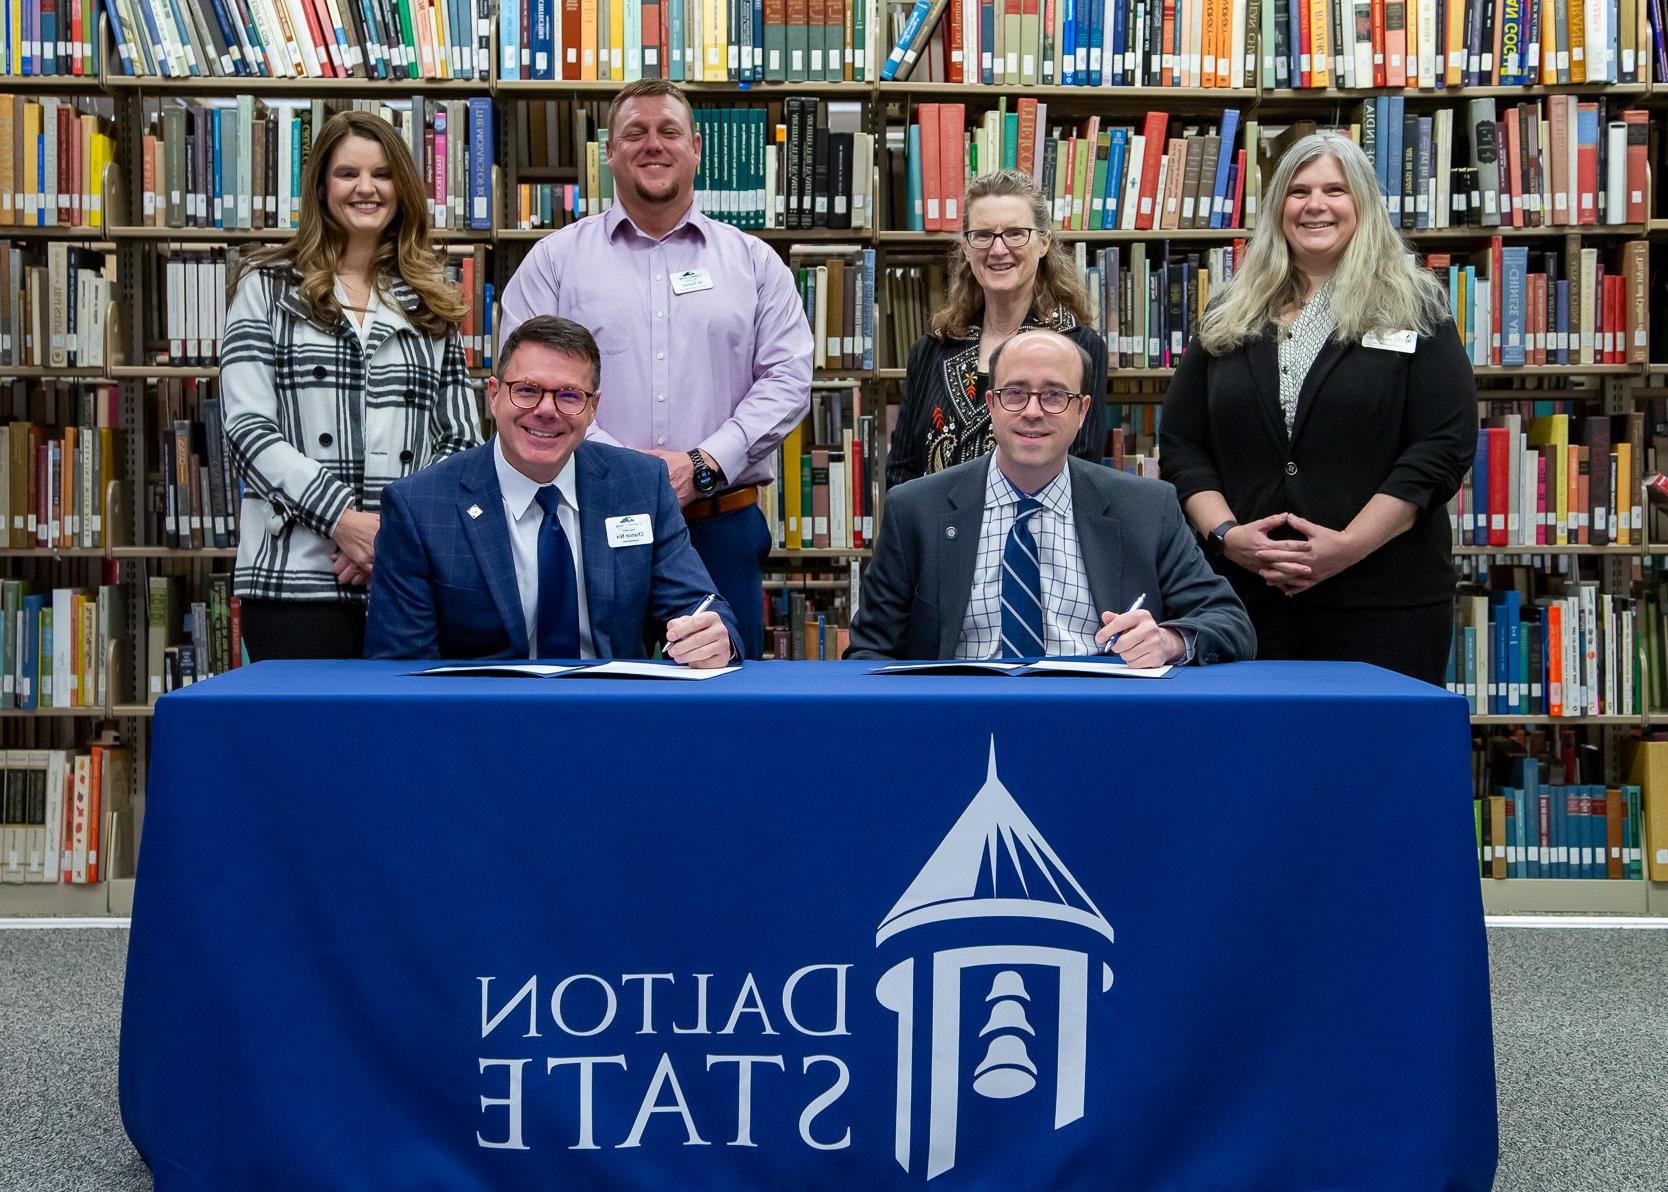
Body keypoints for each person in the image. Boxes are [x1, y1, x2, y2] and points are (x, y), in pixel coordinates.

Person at [496, 78, 812, 661]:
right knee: (589, 697)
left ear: (695, 147)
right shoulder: (555, 261)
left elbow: (789, 379)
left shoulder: (754, 262)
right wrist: (628, 473)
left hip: (721, 525)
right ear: (609, 153)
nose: (653, 145)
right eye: (634, 133)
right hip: (582, 520)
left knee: (723, 702)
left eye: (668, 131)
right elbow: (526, 383)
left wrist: (705, 464)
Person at [1159, 131, 1476, 685]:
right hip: (1243, 601)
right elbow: (1183, 445)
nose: (1315, 205)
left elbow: (1442, 446)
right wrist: (1228, 537)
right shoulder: (1229, 311)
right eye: (1299, 190)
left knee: (1373, 766)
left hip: (1383, 600)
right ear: (1278, 205)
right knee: (1254, 763)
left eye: (1335, 189)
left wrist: (1348, 546)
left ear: (1363, 204)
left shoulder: (1415, 305)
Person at [221, 110, 480, 661]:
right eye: (347, 174)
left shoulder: (434, 300)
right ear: (321, 186)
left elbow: (459, 440)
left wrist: (391, 535)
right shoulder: (266, 287)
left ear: (402, 187)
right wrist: (342, 520)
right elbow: (246, 428)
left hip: (408, 575)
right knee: (304, 744)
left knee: (406, 743)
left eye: (382, 174)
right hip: (296, 573)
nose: (366, 188)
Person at [847, 329, 1254, 664]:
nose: (1033, 411)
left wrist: (1168, 641)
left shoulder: (1148, 509)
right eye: (1015, 393)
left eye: (1055, 395)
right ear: (991, 404)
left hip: (1100, 720)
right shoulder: (916, 511)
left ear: (1083, 411)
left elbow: (1231, 622)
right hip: (959, 724)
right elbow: (869, 652)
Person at [364, 316, 739, 666]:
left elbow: (697, 604)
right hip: (483, 721)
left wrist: (712, 636)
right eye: (526, 390)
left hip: (612, 714)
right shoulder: (420, 507)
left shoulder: (640, 485)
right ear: (493, 395)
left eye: (570, 396)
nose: (546, 410)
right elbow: (401, 668)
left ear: (593, 408)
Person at [887, 170, 1107, 488]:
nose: (998, 249)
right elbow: (902, 470)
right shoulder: (934, 348)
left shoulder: (1079, 347)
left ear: (1044, 242)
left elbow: (1081, 472)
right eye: (983, 235)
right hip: (936, 533)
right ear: (965, 246)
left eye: (1016, 233)